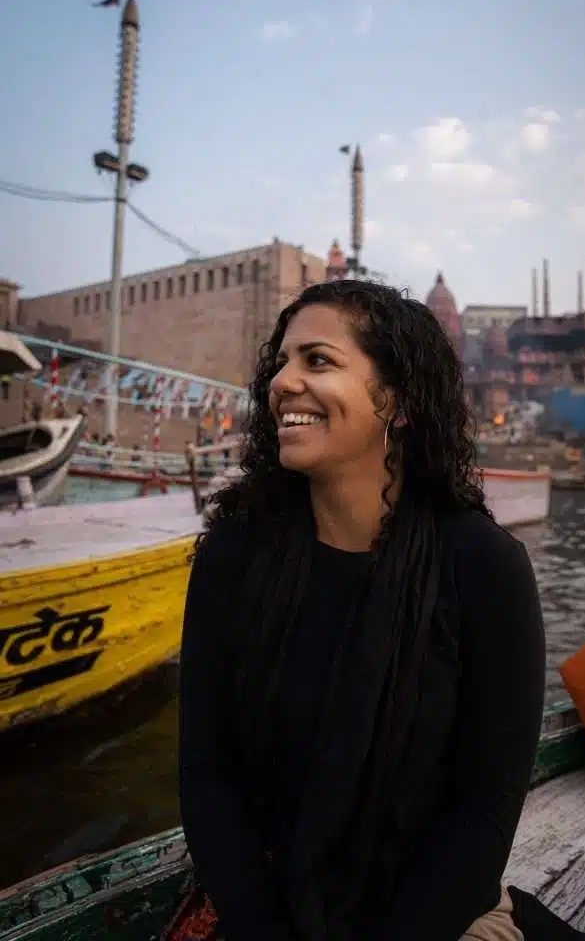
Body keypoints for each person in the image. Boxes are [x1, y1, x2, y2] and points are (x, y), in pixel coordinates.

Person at [177, 279, 555, 941]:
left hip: (432, 917)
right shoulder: (232, 556)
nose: (282, 383)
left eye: (317, 361)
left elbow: (485, 809)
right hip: (265, 909)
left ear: (397, 400)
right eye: (281, 363)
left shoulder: (481, 566)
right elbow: (207, 778)